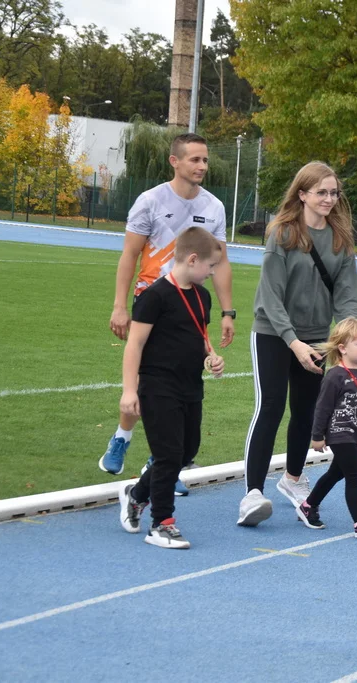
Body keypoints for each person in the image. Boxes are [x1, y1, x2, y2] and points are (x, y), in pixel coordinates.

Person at [100, 133, 234, 497]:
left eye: (205, 160)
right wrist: (119, 304)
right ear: (174, 161)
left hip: (190, 304)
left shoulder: (215, 207)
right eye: (195, 159)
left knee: (180, 379)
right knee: (152, 379)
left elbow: (220, 263)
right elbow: (130, 254)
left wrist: (227, 310)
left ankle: (163, 462)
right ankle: (124, 437)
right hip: (152, 299)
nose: (202, 166)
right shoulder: (150, 201)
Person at [238, 162, 357, 527]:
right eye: (321, 192)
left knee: (307, 412)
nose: (328, 198)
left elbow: (348, 296)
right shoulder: (283, 233)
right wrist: (293, 342)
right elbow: (271, 297)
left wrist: (348, 339)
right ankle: (252, 494)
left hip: (318, 337)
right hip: (273, 333)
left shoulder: (341, 238)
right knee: (271, 407)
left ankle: (293, 480)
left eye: (333, 192)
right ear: (302, 193)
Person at [117, 227, 225, 549]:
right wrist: (129, 390)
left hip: (190, 385)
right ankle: (161, 524)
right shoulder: (155, 296)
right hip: (157, 386)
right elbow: (134, 344)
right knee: (167, 455)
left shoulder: (202, 296)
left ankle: (136, 494)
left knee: (186, 451)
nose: (212, 272)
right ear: (193, 259)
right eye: (210, 266)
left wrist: (212, 356)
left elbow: (199, 336)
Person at [299, 317, 357, 538]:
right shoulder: (335, 376)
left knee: (334, 474)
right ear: (343, 348)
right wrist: (317, 436)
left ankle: (308, 506)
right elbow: (322, 408)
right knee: (354, 476)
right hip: (340, 435)